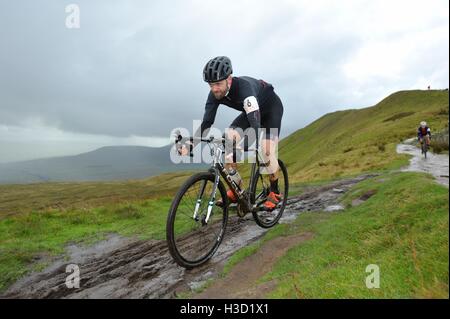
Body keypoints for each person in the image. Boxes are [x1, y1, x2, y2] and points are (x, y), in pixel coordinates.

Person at [179, 56, 284, 210]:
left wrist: (244, 145)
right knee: (228, 141)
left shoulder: (245, 89)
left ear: (229, 79)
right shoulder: (214, 95)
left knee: (266, 150)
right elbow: (207, 123)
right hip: (250, 113)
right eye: (210, 85)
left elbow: (255, 124)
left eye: (218, 84)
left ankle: (275, 191)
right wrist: (191, 144)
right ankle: (237, 190)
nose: (214, 89)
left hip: (270, 110)